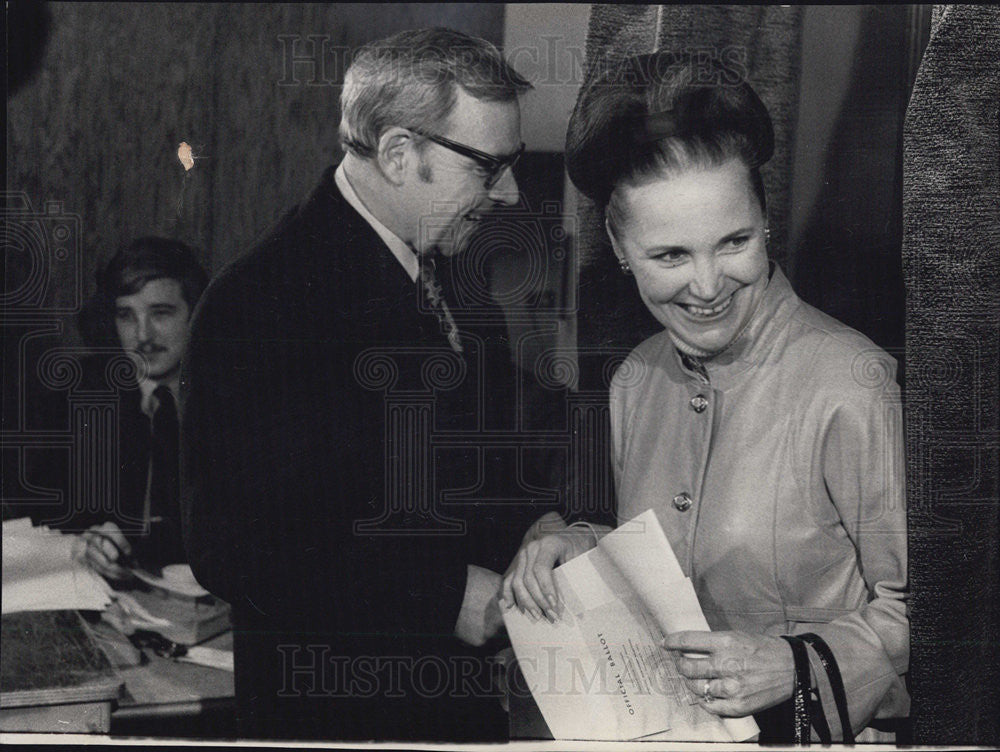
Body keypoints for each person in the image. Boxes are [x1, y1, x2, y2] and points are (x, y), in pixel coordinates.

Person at [502, 51, 909, 742]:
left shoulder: (852, 381)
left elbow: (927, 606)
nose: (708, 284)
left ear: (765, 221)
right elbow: (670, 565)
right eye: (670, 256)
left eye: (734, 242)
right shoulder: (635, 379)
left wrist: (795, 666)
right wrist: (578, 548)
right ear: (620, 246)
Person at [181, 27, 562, 741]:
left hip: (460, 704)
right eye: (490, 167)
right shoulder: (259, 301)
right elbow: (231, 547)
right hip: (335, 712)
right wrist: (441, 597)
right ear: (396, 152)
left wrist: (541, 519)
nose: (509, 194)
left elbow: (498, 446)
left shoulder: (455, 267)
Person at [32, 237, 208, 578]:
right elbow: (46, 512)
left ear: (196, 314)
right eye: (126, 316)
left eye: (161, 313)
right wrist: (87, 542)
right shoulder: (77, 395)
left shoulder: (229, 404)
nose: (143, 335)